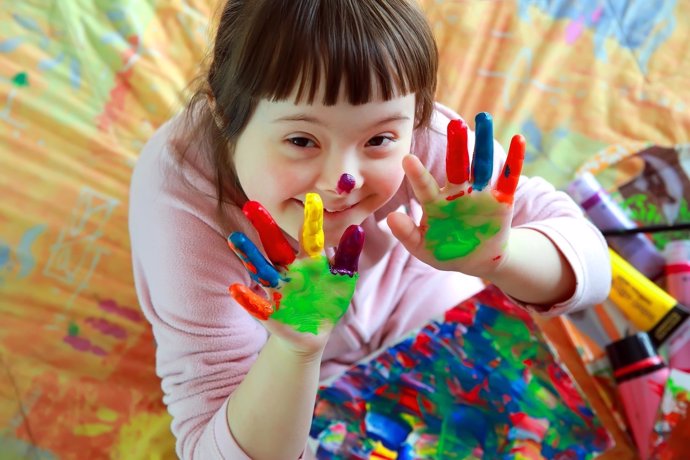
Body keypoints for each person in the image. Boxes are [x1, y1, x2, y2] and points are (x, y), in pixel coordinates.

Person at [128, 1, 611, 459]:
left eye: (378, 138)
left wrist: (500, 256)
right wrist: (295, 349)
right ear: (223, 111)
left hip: (418, 298)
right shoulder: (180, 206)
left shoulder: (427, 143)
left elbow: (593, 267)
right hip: (279, 371)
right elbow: (213, 448)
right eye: (301, 140)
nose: (344, 181)